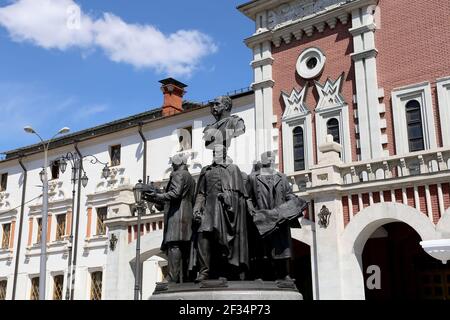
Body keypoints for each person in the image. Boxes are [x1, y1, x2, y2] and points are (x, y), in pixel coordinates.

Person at [192, 144, 249, 282]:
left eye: (217, 153)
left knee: (222, 241)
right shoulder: (206, 170)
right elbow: (201, 193)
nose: (214, 156)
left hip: (225, 210)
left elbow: (240, 194)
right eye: (213, 153)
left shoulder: (233, 169)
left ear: (223, 154)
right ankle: (204, 271)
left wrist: (228, 198)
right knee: (202, 237)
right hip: (208, 209)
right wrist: (197, 208)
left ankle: (225, 271)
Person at [247, 151, 306, 281]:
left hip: (280, 216)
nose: (270, 160)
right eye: (267, 158)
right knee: (262, 248)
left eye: (271, 158)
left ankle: (284, 274)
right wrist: (252, 211)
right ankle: (260, 274)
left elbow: (288, 194)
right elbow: (248, 197)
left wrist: (295, 202)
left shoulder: (282, 177)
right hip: (262, 217)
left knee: (282, 247)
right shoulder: (252, 177)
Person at [147, 153, 195, 283]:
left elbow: (176, 193)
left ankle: (172, 277)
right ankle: (183, 277)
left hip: (177, 215)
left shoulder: (178, 174)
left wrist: (158, 196)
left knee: (174, 245)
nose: (172, 165)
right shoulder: (190, 177)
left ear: (178, 163)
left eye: (173, 163)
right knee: (184, 247)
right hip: (187, 213)